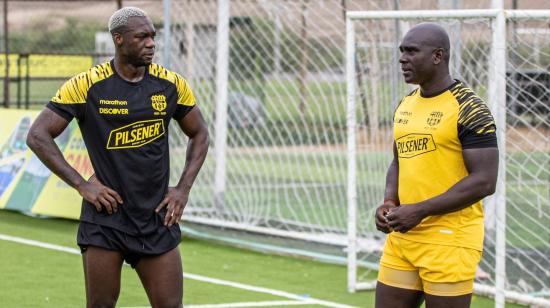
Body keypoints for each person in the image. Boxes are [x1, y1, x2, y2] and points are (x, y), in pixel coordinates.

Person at [26, 7, 209, 308]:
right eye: (142, 37)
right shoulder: (86, 85)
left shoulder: (171, 84)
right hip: (105, 219)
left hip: (156, 217)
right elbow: (38, 135)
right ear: (119, 39)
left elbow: (200, 133)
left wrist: (183, 189)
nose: (151, 43)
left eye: (153, 36)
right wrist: (82, 184)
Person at [374, 23, 499, 308]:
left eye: (412, 51)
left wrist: (419, 210)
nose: (403, 58)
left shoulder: (470, 109)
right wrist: (390, 200)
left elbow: (485, 181)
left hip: (450, 240)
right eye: (402, 51)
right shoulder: (406, 104)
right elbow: (398, 161)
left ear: (438, 56)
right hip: (403, 236)